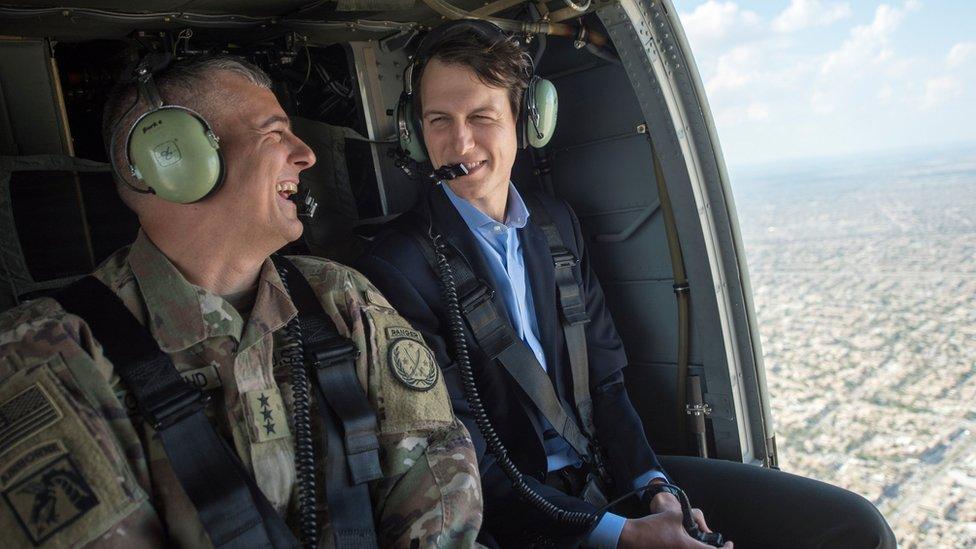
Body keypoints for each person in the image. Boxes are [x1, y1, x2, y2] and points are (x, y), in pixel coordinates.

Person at [356, 22, 897, 548]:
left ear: (525, 122)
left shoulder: (555, 225)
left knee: (856, 529)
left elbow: (608, 385)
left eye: (481, 116)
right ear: (416, 131)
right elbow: (461, 458)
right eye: (438, 121)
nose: (460, 141)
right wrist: (623, 535)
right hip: (522, 514)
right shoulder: (398, 267)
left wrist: (656, 490)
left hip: (613, 478)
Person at [0, 56, 482, 548]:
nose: (306, 155)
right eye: (275, 134)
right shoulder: (48, 353)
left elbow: (438, 480)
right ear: (173, 158)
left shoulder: (340, 296)